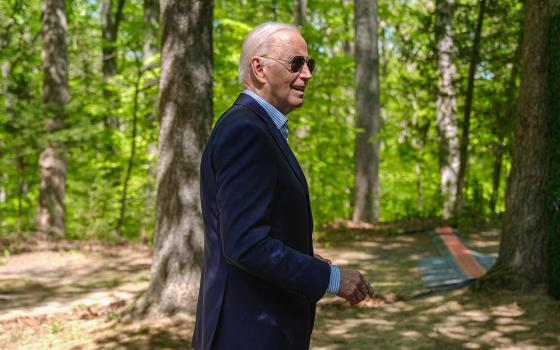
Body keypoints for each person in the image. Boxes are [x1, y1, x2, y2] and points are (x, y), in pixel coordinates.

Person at [192, 22, 374, 350]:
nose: (307, 74)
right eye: (296, 63)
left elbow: (255, 230)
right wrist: (333, 280)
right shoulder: (246, 132)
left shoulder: (256, 128)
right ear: (259, 69)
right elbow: (246, 244)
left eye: (309, 64)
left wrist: (307, 260)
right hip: (250, 333)